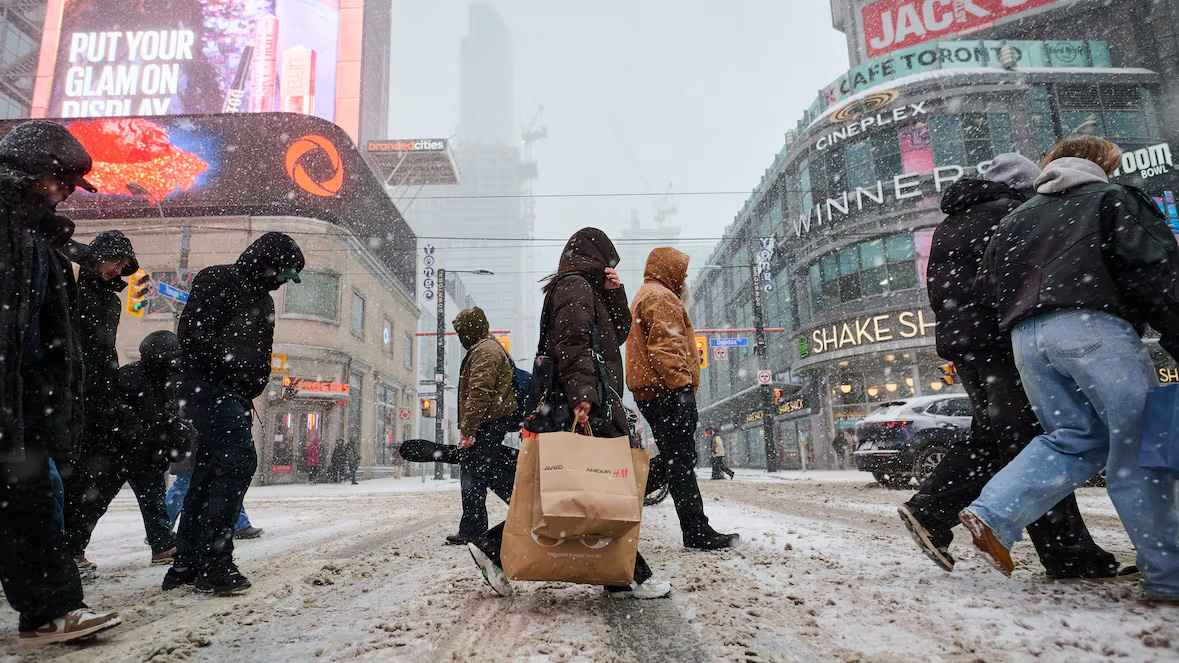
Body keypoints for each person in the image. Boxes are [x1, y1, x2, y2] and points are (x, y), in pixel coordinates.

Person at [960, 136, 1179, 600]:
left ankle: (994, 511)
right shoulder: (1112, 198)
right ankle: (1169, 574)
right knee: (1142, 446)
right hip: (1096, 329)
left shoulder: (1015, 218)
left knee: (1073, 439)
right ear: (1104, 166)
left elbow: (985, 290)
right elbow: (1156, 273)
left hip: (1027, 340)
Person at [898, 152, 1123, 579]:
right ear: (1023, 185)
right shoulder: (1013, 213)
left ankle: (930, 511)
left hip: (965, 346)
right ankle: (1069, 555)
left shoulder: (950, 223)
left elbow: (943, 290)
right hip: (1002, 340)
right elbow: (1016, 280)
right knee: (1035, 439)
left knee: (994, 437)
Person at [468, 227, 672, 599]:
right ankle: (627, 574)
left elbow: (617, 333)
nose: (610, 268)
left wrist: (616, 293)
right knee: (597, 490)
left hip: (585, 401)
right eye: (608, 262)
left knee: (580, 493)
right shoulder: (576, 286)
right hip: (581, 404)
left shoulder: (586, 288)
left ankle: (621, 574)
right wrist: (583, 395)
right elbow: (573, 342)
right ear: (594, 257)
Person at [0, 120, 121, 644]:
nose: (66, 193)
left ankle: (49, 611)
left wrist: (54, 402)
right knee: (27, 496)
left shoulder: (42, 242)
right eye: (62, 181)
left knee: (32, 493)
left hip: (22, 398)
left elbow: (50, 336)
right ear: (33, 171)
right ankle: (48, 609)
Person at [163, 232, 304, 595]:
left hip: (234, 395)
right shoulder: (220, 278)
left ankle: (186, 562)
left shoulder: (263, 300)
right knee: (239, 462)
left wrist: (252, 385)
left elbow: (260, 350)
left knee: (209, 474)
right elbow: (194, 335)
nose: (284, 280)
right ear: (267, 260)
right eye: (284, 271)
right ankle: (215, 560)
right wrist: (234, 373)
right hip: (209, 388)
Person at [626, 247, 738, 549]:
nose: (686, 277)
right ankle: (694, 530)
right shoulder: (660, 297)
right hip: (666, 393)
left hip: (658, 392)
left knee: (680, 459)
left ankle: (627, 496)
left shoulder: (652, 294)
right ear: (668, 269)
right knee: (681, 460)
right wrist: (682, 390)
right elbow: (666, 346)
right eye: (682, 270)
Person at [59, 230, 139, 576]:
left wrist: (113, 392)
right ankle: (58, 552)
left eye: (124, 263)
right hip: (65, 393)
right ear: (97, 257)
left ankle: (73, 546)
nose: (118, 268)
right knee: (61, 474)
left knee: (101, 472)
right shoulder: (71, 284)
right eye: (114, 259)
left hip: (98, 395)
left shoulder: (112, 300)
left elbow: (106, 351)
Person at [446, 307, 519, 546]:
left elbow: (479, 393)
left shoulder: (485, 351)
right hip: (490, 422)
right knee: (488, 473)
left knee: (473, 477)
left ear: (470, 329)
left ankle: (473, 530)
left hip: (487, 424)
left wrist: (469, 431)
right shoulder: (486, 347)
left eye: (462, 331)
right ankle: (523, 512)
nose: (460, 336)